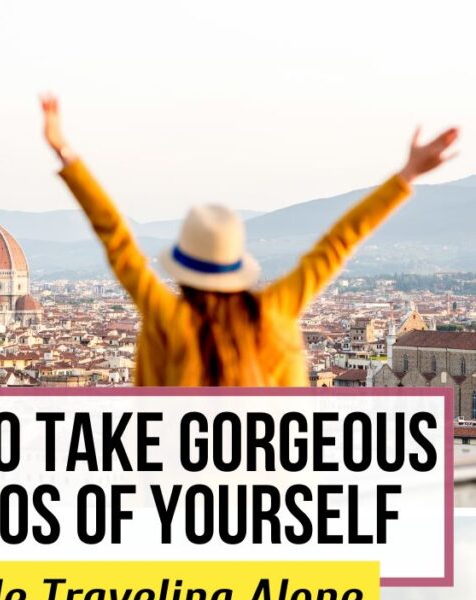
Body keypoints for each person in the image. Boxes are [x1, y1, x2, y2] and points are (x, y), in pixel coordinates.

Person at [41, 95, 459, 387]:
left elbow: (117, 241)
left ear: (183, 270)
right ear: (235, 265)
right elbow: (337, 244)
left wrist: (66, 154)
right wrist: (406, 176)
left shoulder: (170, 319)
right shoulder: (273, 313)